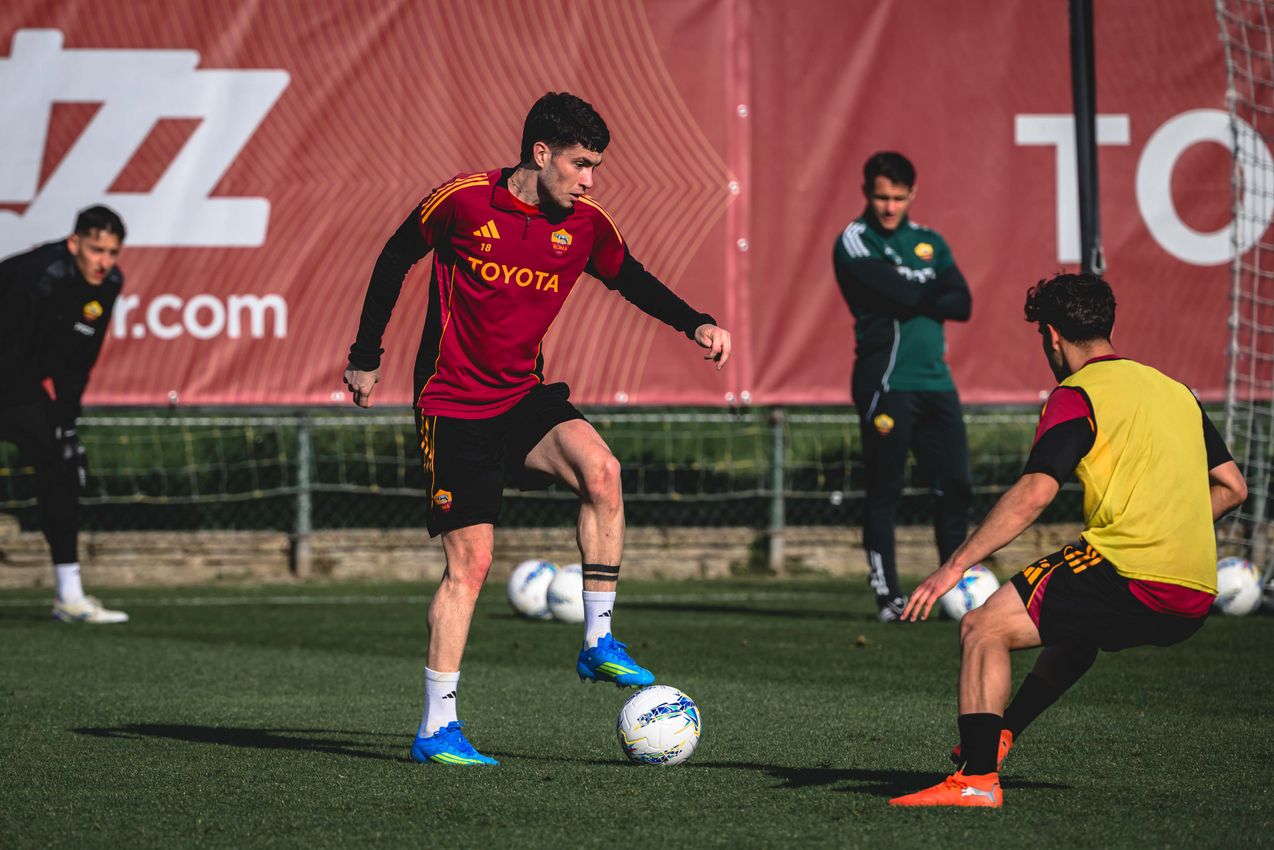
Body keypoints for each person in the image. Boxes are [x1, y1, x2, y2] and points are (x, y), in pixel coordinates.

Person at [343, 92, 731, 766]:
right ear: (540, 153)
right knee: (473, 567)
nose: (590, 180)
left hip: (522, 396)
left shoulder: (585, 226)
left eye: (596, 167)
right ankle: (437, 728)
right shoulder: (462, 202)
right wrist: (366, 357)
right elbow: (391, 257)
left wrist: (694, 320)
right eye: (581, 164)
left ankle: (597, 642)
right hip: (454, 403)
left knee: (602, 471)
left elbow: (631, 279)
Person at [888, 272, 1247, 807]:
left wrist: (954, 565)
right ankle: (1001, 733)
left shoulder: (1077, 394)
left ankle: (976, 781)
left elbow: (1034, 493)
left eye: (1042, 340)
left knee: (982, 626)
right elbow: (1232, 487)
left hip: (1128, 571)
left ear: (1052, 336)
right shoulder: (1178, 392)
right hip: (1193, 592)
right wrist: (1174, 524)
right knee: (1074, 630)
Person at [832, 151, 973, 622]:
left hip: (936, 381)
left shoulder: (930, 241)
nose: (888, 206)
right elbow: (909, 294)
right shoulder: (855, 240)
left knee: (955, 485)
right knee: (885, 488)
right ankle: (888, 596)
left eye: (897, 197)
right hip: (886, 383)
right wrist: (923, 291)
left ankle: (953, 588)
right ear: (866, 193)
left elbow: (963, 302)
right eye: (880, 196)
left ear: (912, 194)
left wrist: (915, 291)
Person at [0, 206, 130, 624]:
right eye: (96, 250)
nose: (104, 261)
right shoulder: (31, 276)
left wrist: (64, 419)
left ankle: (69, 597)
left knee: (62, 461)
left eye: (112, 252)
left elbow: (79, 361)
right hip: (8, 373)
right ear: (74, 243)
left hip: (19, 386)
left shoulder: (108, 284)